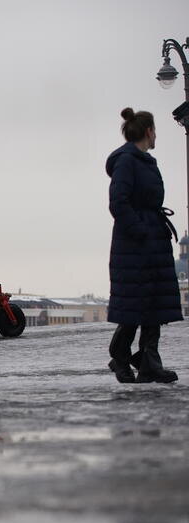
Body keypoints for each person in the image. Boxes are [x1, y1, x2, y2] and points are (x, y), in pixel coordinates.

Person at [106, 107, 182, 384]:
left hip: (151, 241)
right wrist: (140, 231)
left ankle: (149, 362)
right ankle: (120, 355)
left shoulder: (145, 160)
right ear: (149, 131)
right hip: (135, 244)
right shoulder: (127, 160)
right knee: (134, 306)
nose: (156, 135)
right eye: (155, 130)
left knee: (153, 305)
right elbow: (118, 202)